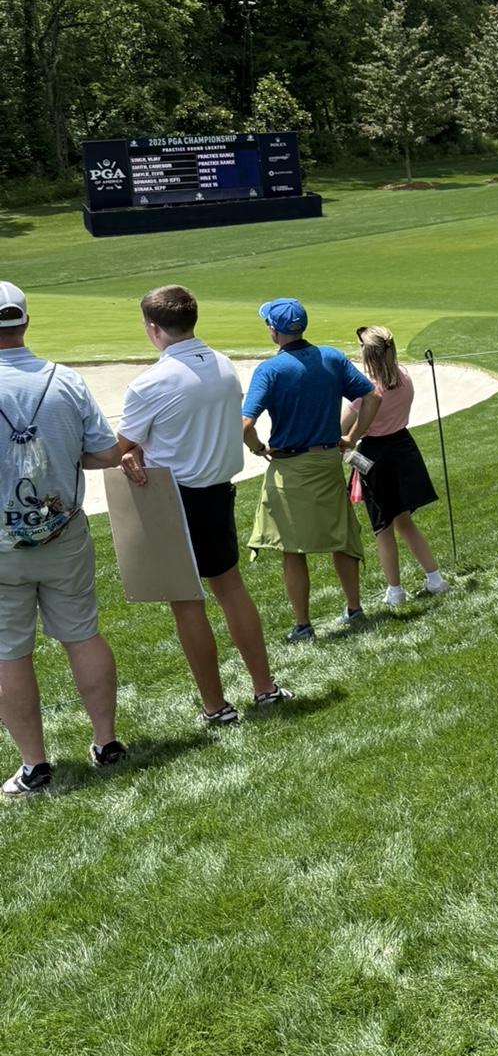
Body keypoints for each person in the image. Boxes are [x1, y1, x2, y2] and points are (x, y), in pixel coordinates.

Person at [116, 286, 291, 723]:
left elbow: (118, 446)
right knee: (230, 589)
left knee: (186, 602)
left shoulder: (150, 382)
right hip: (217, 492)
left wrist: (127, 451)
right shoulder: (223, 364)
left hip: (174, 498)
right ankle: (264, 688)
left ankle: (215, 706)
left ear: (153, 329)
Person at [0, 281, 130, 795]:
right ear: (25, 322)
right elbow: (102, 453)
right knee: (82, 633)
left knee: (9, 651)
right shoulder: (65, 380)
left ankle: (35, 765)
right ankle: (107, 742)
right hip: (63, 532)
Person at [241, 298, 381, 641]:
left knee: (293, 548)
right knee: (341, 538)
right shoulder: (331, 358)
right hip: (327, 462)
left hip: (289, 468)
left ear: (275, 332)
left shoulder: (270, 371)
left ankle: (303, 625)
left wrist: (258, 448)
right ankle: (354, 609)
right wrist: (351, 436)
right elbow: (372, 396)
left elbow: (245, 424)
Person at [342, 325, 447, 606]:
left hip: (375, 456)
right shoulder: (405, 378)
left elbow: (341, 427)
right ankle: (434, 577)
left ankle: (395, 591)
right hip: (402, 448)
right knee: (404, 521)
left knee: (382, 528)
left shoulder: (365, 393)